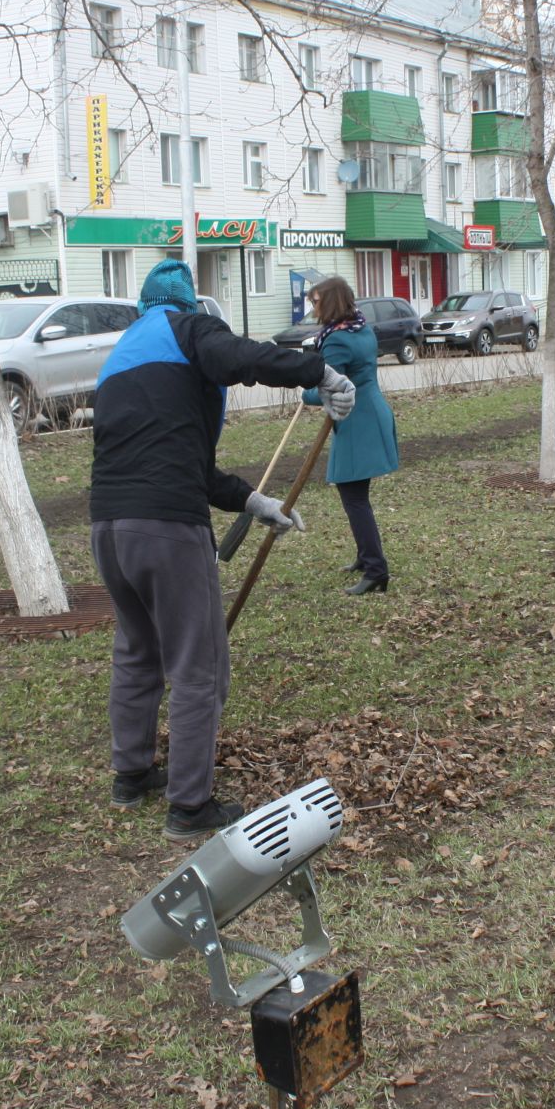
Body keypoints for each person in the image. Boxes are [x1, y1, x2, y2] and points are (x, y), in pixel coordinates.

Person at [90, 259, 356, 840]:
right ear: (186, 305)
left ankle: (131, 775)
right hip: (166, 529)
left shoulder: (122, 355)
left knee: (137, 653)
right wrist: (320, 374)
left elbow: (176, 459)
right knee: (197, 666)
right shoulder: (187, 330)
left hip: (109, 528)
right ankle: (190, 806)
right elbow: (244, 358)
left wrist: (253, 502)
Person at [299, 276, 399, 595]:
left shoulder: (337, 340)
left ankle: (375, 571)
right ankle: (363, 557)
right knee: (358, 495)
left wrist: (305, 395)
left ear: (329, 302)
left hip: (357, 421)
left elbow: (333, 387)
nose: (313, 308)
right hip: (371, 412)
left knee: (354, 498)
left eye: (316, 302)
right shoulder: (361, 328)